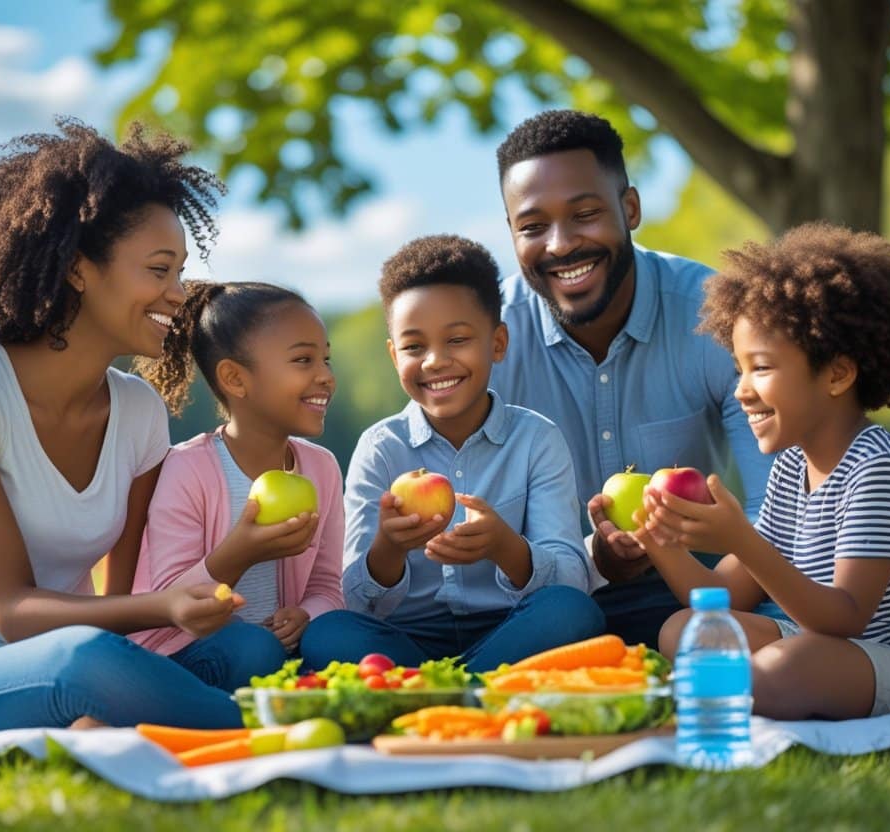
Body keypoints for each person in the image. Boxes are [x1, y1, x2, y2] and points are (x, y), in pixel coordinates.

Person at [0, 118, 249, 732]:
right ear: (78, 269)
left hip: (82, 656)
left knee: (245, 649)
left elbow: (119, 605)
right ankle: (281, 733)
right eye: (159, 271)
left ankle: (147, 714)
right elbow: (12, 612)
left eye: (180, 272)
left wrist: (186, 600)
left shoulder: (138, 411)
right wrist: (161, 610)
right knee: (84, 659)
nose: (179, 294)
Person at [632, 222, 890, 720]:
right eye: (739, 368)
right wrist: (658, 542)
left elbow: (843, 616)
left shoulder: (877, 470)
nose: (741, 389)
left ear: (838, 374)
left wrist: (741, 537)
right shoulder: (789, 470)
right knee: (686, 628)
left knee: (790, 665)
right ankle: (723, 694)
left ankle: (708, 697)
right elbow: (726, 596)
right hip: (828, 647)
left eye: (761, 367)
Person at [489, 109, 775, 647]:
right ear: (511, 233)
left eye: (585, 214)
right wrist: (597, 561)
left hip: (705, 585)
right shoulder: (488, 342)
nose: (560, 244)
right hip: (551, 602)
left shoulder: (716, 318)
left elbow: (777, 507)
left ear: (631, 208)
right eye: (532, 227)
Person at [301, 235, 603, 672]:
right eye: (414, 347)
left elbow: (572, 579)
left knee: (573, 614)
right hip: (407, 639)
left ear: (497, 343)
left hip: (512, 629)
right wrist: (388, 547)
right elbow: (357, 599)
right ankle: (480, 688)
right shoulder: (381, 448)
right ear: (393, 355)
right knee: (328, 634)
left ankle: (434, 691)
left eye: (457, 340)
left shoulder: (537, 439)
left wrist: (505, 546)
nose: (435, 361)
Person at [127, 280, 343, 681]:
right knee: (252, 648)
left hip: (286, 651)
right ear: (235, 378)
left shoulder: (322, 468)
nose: (325, 376)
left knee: (342, 635)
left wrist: (306, 615)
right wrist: (240, 553)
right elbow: (171, 602)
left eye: (325, 360)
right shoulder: (187, 469)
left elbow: (328, 586)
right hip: (194, 652)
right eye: (303, 361)